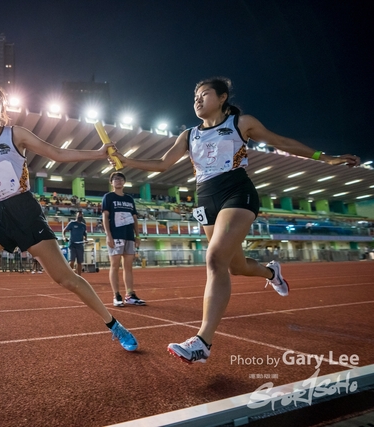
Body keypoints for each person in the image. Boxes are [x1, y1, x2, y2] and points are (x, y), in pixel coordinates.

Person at [111, 76, 359, 363]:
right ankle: (271, 273)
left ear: (222, 97)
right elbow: (162, 164)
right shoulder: (189, 135)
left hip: (236, 192)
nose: (198, 100)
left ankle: (202, 342)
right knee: (235, 267)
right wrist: (125, 160)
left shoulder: (240, 123)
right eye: (195, 97)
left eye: (204, 94)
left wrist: (325, 157)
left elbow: (280, 142)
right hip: (205, 198)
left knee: (214, 258)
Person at [0, 83, 138, 352]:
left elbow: (57, 153)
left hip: (27, 213)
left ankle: (114, 325)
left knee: (67, 279)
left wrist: (99, 154)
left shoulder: (15, 134)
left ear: (2, 106)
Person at [102, 172, 146, 307]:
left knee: (128, 267)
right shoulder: (108, 197)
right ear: (111, 183)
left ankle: (130, 295)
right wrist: (108, 235)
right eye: (115, 179)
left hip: (129, 236)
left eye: (121, 179)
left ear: (124, 182)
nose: (118, 181)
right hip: (115, 235)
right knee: (114, 265)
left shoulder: (129, 199)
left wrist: (137, 235)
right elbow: (105, 216)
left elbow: (134, 218)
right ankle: (116, 295)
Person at [63, 211, 87, 276]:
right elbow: (64, 231)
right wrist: (64, 237)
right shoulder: (72, 223)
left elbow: (85, 234)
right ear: (76, 216)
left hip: (80, 245)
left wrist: (85, 239)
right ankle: (69, 275)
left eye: (81, 215)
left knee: (80, 262)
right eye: (79, 215)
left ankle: (79, 276)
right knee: (72, 261)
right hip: (72, 245)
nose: (80, 216)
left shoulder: (83, 225)